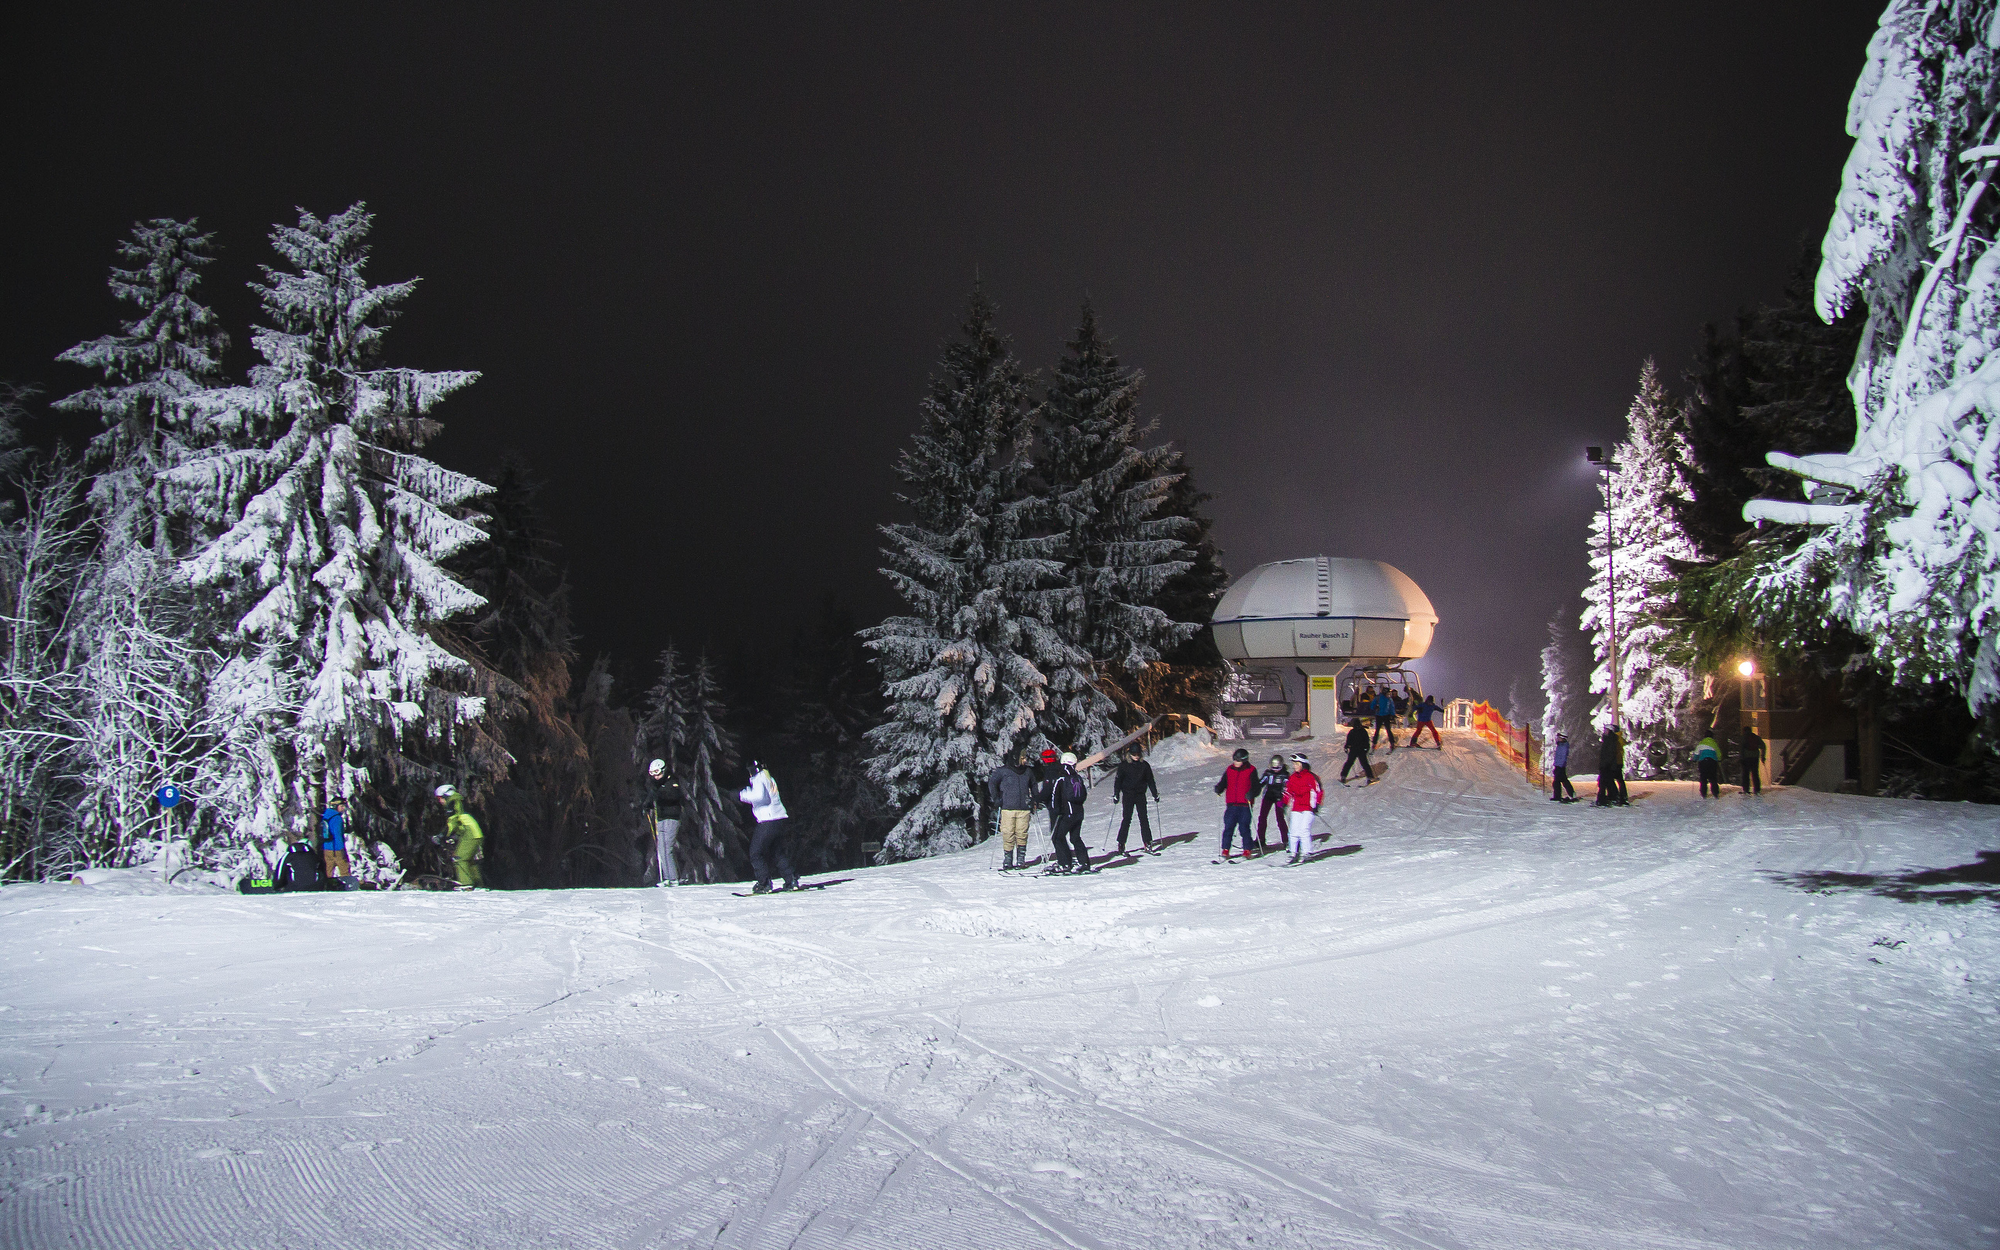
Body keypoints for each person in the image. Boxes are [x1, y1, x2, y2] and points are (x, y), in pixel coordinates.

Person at [739, 760, 798, 893]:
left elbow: (760, 797)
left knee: (755, 852)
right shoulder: (768, 777)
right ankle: (791, 879)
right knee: (777, 852)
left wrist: (742, 795)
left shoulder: (759, 779)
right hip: (779, 819)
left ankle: (764, 883)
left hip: (768, 820)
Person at [988, 748, 1039, 870]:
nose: (1025, 760)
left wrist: (1034, 799)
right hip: (1007, 808)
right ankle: (1008, 859)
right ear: (1016, 759)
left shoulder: (1027, 771)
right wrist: (996, 799)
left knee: (1022, 833)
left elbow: (1034, 784)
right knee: (1008, 833)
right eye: (1023, 758)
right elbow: (992, 783)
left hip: (1024, 808)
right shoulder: (1003, 771)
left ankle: (1021, 859)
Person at [1212, 747, 1261, 859]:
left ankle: (1247, 849)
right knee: (1228, 827)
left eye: (1238, 761)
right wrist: (1219, 788)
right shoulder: (1230, 769)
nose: (1235, 762)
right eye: (1234, 760)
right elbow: (1224, 782)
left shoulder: (1251, 770)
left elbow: (1256, 787)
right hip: (1231, 805)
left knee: (1244, 828)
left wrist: (1251, 793)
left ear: (1244, 760)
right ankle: (1225, 849)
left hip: (1245, 805)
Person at [1046, 752, 1091, 873]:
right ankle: (1085, 863)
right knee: (1075, 837)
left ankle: (1064, 864)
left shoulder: (1061, 778)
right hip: (1079, 813)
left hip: (1068, 814)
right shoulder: (1077, 777)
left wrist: (1056, 812)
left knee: (1057, 837)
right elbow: (1084, 795)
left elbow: (1055, 797)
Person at [642, 759, 685, 886]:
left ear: (664, 771)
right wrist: (646, 805)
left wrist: (659, 794)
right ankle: (667, 877)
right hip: (660, 818)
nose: (656, 777)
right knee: (661, 848)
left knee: (667, 848)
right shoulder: (656, 786)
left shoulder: (672, 782)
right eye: (653, 775)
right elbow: (652, 797)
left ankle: (673, 878)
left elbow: (673, 796)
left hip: (671, 818)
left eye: (658, 774)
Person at [1112, 745, 1160, 855]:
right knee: (1127, 819)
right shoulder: (1124, 766)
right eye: (1134, 755)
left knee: (1143, 819)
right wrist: (1116, 794)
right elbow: (1118, 781)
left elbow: (1150, 780)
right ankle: (1121, 843)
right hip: (1128, 795)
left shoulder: (1144, 766)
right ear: (1130, 754)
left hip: (1140, 795)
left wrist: (1154, 794)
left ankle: (1147, 842)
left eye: (1138, 754)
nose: (1136, 757)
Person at [434, 784, 485, 887]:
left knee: (459, 859)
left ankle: (466, 884)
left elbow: (453, 822)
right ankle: (478, 884)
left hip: (470, 833)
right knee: (469, 860)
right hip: (475, 832)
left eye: (440, 798)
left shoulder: (452, 803)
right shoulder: (459, 801)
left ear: (446, 795)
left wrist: (441, 836)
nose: (440, 801)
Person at [1281, 752, 1323, 863]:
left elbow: (1318, 791)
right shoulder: (1293, 777)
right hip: (1297, 808)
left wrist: (1317, 804)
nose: (1294, 766)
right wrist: (1284, 803)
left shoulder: (1311, 777)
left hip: (1308, 808)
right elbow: (1288, 792)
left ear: (1303, 764)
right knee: (1293, 831)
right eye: (1294, 764)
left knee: (1304, 830)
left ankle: (1306, 852)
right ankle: (1293, 852)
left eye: (1296, 764)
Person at [1255, 754, 1290, 847]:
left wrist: (1283, 798)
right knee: (1262, 817)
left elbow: (1287, 787)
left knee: (1280, 818)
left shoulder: (1285, 775)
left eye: (1278, 768)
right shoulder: (1268, 773)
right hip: (1268, 797)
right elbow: (1261, 783)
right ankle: (1260, 839)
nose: (1275, 770)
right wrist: (1254, 789)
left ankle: (1286, 840)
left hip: (1279, 798)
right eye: (1273, 767)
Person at [319, 796, 352, 883]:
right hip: (336, 848)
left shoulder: (326, 815)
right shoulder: (337, 818)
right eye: (341, 806)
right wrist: (341, 849)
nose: (343, 808)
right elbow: (338, 835)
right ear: (336, 806)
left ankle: (327, 885)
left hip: (326, 847)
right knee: (344, 868)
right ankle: (347, 884)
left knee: (328, 869)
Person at [1595, 728, 1629, 807]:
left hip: (1612, 765)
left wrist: (1606, 764)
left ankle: (1608, 798)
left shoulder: (1613, 739)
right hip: (1610, 764)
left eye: (1606, 730)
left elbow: (1611, 754)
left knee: (1606, 782)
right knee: (1609, 781)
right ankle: (1613, 797)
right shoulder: (1609, 739)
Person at [1340, 719, 1375, 784]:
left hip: (1355, 750)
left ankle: (1343, 776)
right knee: (1363, 763)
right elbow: (1366, 741)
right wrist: (1366, 748)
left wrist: (1346, 746)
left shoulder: (1353, 732)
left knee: (1350, 763)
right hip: (1359, 750)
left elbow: (1349, 741)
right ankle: (1370, 777)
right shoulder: (1362, 731)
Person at [1739, 724, 1767, 795]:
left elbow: (1741, 749)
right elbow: (1763, 746)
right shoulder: (1756, 737)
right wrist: (1762, 756)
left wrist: (1741, 758)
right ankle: (1757, 789)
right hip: (1755, 758)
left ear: (1744, 731)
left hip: (1746, 758)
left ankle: (1746, 789)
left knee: (1745, 774)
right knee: (1755, 774)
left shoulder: (1743, 738)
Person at [1549, 732, 1576, 802]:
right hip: (1558, 765)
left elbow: (1563, 757)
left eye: (1559, 737)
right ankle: (1571, 794)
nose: (1557, 739)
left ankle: (1558, 796)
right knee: (1563, 781)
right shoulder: (1560, 745)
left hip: (1560, 766)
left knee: (1557, 782)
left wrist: (1559, 766)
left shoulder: (1563, 746)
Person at [1695, 731, 1722, 798]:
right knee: (1713, 777)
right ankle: (1715, 792)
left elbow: (1696, 754)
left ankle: (1703, 792)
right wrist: (1719, 759)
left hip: (1703, 762)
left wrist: (1694, 759)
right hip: (1712, 762)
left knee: (1703, 777)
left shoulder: (1701, 744)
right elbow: (1719, 754)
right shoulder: (1714, 743)